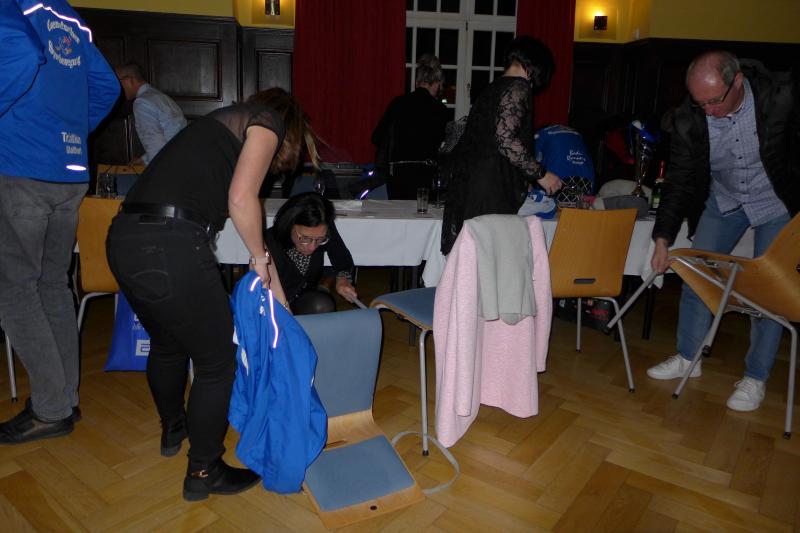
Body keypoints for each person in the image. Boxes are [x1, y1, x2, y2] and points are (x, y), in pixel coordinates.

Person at [106, 87, 319, 500]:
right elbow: (242, 199)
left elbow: (248, 224)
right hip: (169, 242)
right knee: (218, 362)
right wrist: (259, 259)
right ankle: (204, 471)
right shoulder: (267, 120)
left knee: (167, 344)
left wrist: (278, 296)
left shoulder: (210, 136)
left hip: (124, 239)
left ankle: (174, 428)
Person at [647, 51, 799, 411]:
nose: (709, 110)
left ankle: (755, 377)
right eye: (701, 103)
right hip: (725, 200)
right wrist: (662, 238)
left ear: (738, 82)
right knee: (697, 273)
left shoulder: (779, 99)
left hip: (774, 201)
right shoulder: (689, 119)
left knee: (768, 290)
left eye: (715, 101)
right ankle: (689, 357)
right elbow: (679, 182)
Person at [0, 0, 119, 444]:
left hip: (20, 166)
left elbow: (19, 51)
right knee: (52, 285)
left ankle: (51, 408)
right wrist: (67, 133)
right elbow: (107, 85)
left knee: (15, 290)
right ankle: (64, 400)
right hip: (69, 172)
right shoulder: (67, 14)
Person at [440, 36, 562, 255]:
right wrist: (541, 174)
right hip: (490, 190)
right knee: (488, 259)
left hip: (470, 186)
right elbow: (505, 139)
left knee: (473, 258)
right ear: (534, 66)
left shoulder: (491, 89)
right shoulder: (518, 86)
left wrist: (522, 178)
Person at [371, 54, 449, 199]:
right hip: (426, 176)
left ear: (417, 81)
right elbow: (445, 147)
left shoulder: (398, 103)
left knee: (400, 212)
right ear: (436, 82)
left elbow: (377, 137)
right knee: (423, 212)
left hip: (397, 176)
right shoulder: (441, 111)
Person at [265, 192, 357, 314]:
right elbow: (264, 292)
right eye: (305, 238)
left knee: (322, 305)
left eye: (320, 239)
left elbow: (342, 258)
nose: (312, 247)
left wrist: (343, 279)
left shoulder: (321, 229)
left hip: (304, 297)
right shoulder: (269, 243)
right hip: (272, 303)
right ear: (289, 225)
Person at [115, 61, 187, 165]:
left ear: (130, 80)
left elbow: (155, 146)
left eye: (118, 82)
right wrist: (144, 160)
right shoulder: (161, 97)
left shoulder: (142, 102)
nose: (116, 87)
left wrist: (154, 170)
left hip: (169, 166)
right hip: (182, 159)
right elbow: (171, 136)